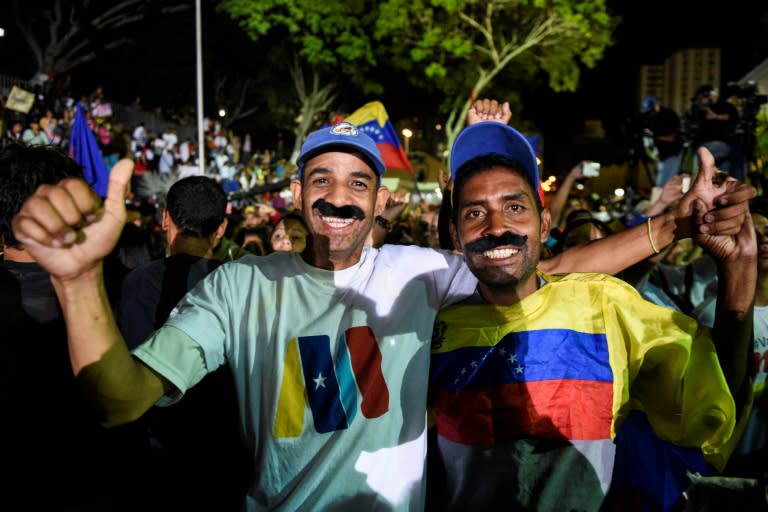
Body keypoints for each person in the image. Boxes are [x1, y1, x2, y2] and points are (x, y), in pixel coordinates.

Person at [11, 118, 755, 511]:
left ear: (381, 202)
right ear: (297, 197)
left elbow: (541, 269)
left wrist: (676, 229)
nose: (339, 193)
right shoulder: (238, 285)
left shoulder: (422, 274)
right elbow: (121, 402)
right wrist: (80, 284)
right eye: (322, 179)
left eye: (358, 180)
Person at [427, 121, 756, 511]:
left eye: (515, 207)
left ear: (544, 224)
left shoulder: (603, 304)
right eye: (475, 213)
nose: (497, 227)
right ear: (455, 233)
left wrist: (737, 272)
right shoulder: (428, 327)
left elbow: (715, 390)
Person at [116, 175, 250, 511]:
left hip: (157, 453)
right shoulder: (239, 284)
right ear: (220, 229)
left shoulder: (137, 283)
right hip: (225, 451)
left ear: (165, 219)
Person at [687, 85, 740, 175]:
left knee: (701, 154)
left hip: (722, 144)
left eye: (701, 98)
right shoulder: (700, 111)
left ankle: (696, 183)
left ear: (709, 96)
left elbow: (732, 117)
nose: (699, 101)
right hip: (711, 148)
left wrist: (716, 116)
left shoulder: (725, 106)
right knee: (720, 177)